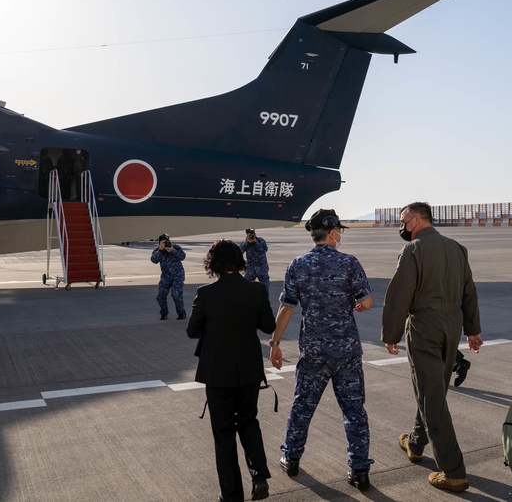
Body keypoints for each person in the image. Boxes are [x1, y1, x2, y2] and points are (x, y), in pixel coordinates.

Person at [269, 208, 374, 491]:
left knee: (302, 407)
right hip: (347, 351)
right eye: (338, 229)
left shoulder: (298, 265)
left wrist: (275, 343)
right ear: (331, 231)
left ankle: (291, 459)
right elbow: (366, 303)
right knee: (353, 412)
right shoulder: (349, 263)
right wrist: (355, 304)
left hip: (314, 351)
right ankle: (359, 471)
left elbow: (286, 308)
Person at [381, 202, 483, 493]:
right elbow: (469, 291)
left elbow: (400, 294)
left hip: (424, 326)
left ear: (415, 219)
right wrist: (473, 331)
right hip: (451, 327)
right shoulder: (457, 248)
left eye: (403, 220)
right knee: (432, 388)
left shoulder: (413, 251)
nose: (402, 225)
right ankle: (415, 442)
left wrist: (392, 333)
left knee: (431, 396)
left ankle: (453, 471)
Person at [187, 239, 276, 502]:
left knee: (223, 434)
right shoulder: (256, 290)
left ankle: (231, 495)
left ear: (212, 263)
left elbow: (192, 331)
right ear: (240, 261)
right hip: (249, 371)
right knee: (249, 422)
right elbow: (268, 326)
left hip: (217, 374)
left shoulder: (205, 293)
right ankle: (259, 475)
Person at [151, 233, 186, 320]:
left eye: (167, 242)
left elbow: (183, 256)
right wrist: (160, 250)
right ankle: (164, 312)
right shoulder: (157, 251)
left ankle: (181, 313)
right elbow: (153, 260)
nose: (166, 244)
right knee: (160, 295)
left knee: (176, 294)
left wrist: (172, 250)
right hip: (166, 276)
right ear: (159, 243)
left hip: (178, 275)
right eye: (163, 242)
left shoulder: (175, 247)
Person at [239, 228, 270, 293]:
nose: (251, 236)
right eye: (249, 234)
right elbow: (239, 252)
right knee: (245, 286)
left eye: (252, 234)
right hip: (251, 268)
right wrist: (245, 242)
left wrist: (255, 243)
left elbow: (263, 250)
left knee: (265, 288)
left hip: (261, 268)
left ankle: (264, 300)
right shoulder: (246, 242)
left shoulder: (261, 240)